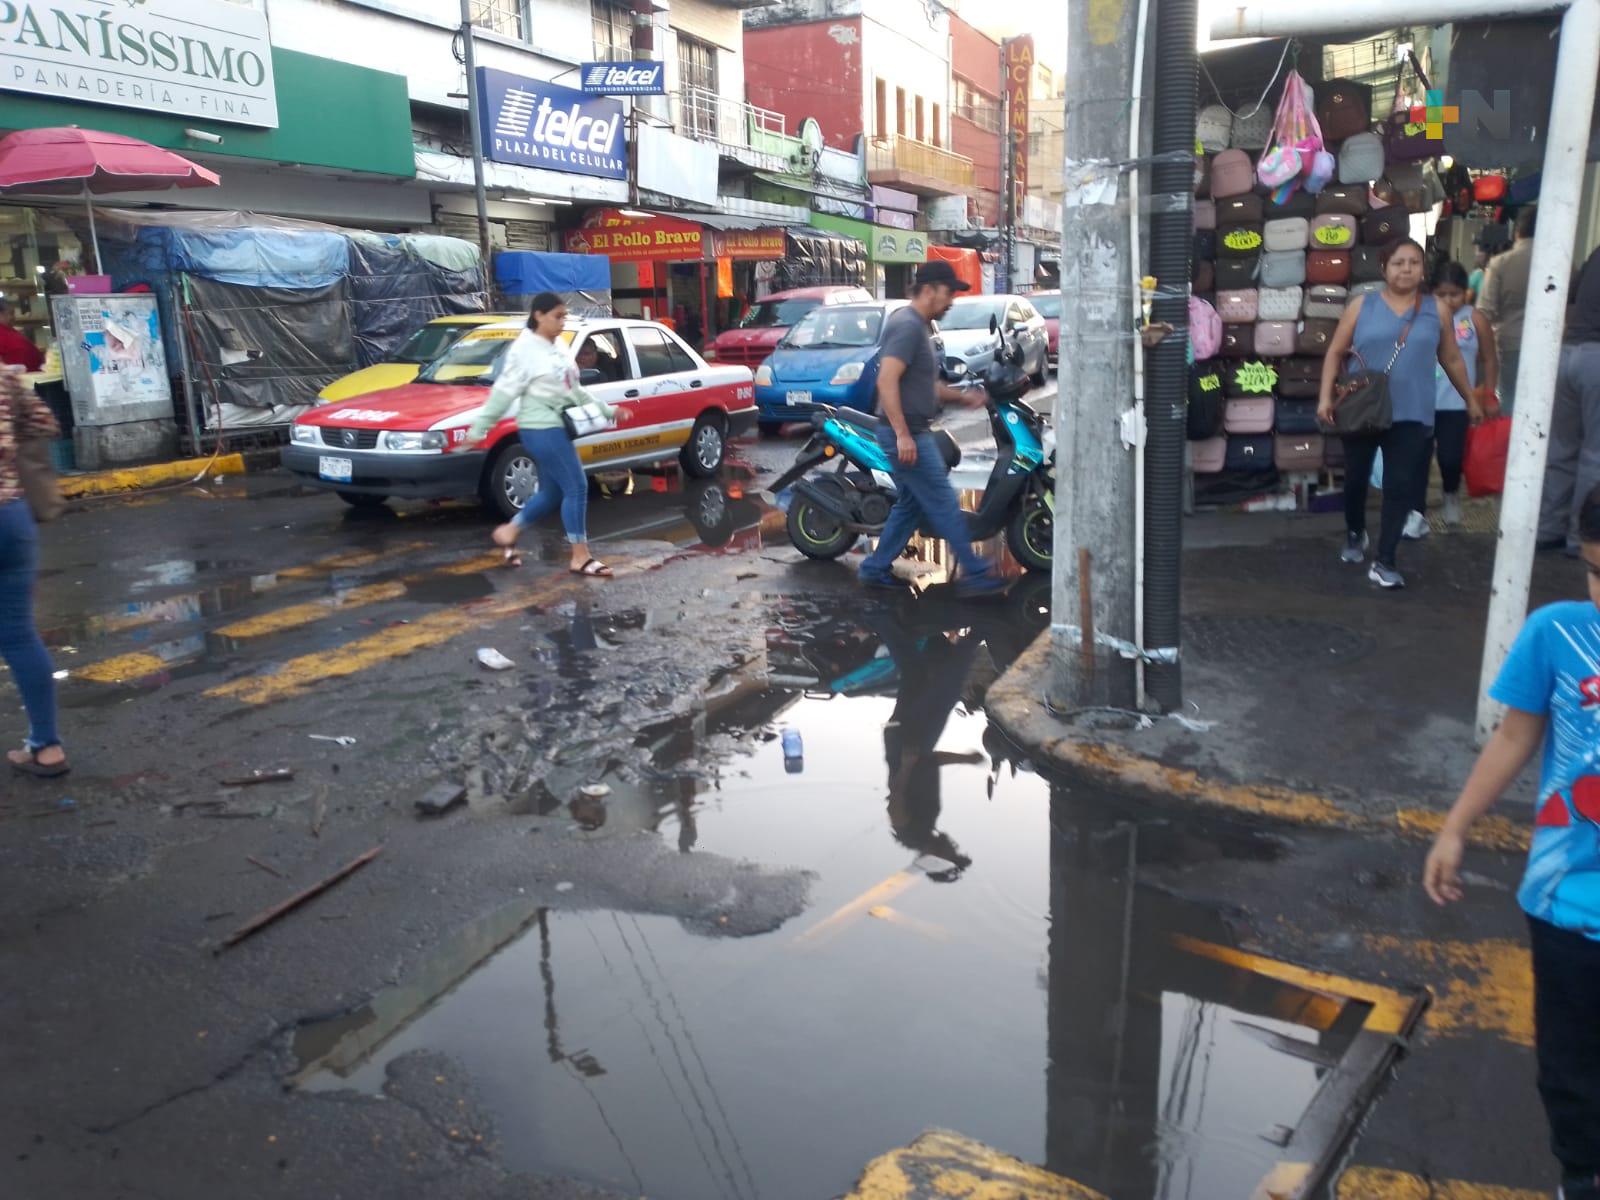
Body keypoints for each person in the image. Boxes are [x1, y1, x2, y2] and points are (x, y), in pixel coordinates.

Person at [1423, 483, 1600, 1200]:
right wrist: (1455, 826)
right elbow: (1517, 737)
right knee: (1571, 1066)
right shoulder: (1556, 634)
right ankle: (1582, 1178)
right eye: (1596, 572)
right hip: (1566, 902)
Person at [1318, 238, 1476, 589]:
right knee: (1356, 479)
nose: (1406, 269)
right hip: (1363, 408)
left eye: (1414, 263)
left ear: (1423, 269)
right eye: (1399, 263)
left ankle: (1385, 559)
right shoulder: (1362, 305)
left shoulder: (1438, 309)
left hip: (1413, 411)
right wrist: (1325, 397)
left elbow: (1451, 358)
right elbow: (1335, 352)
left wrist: (1470, 398)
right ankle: (1356, 532)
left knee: (1400, 486)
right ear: (1384, 268)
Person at [858, 259, 1002, 595]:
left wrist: (963, 397)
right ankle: (976, 573)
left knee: (912, 504)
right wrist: (903, 434)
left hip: (912, 429)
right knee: (943, 500)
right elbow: (887, 380)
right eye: (948, 292)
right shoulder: (907, 325)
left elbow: (927, 385)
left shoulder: (918, 326)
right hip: (907, 433)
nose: (951, 300)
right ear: (928, 290)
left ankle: (874, 568)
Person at [465, 292, 631, 577]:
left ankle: (510, 530)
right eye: (557, 316)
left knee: (553, 491)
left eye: (564, 316)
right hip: (540, 428)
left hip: (558, 427)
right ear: (539, 315)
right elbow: (504, 391)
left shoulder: (558, 347)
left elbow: (574, 389)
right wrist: (480, 427)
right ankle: (580, 556)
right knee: (577, 486)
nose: (562, 322)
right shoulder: (524, 350)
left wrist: (608, 410)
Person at [1, 367, 67, 778]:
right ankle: (47, 745)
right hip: (10, 516)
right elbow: (45, 422)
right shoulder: (5, 378)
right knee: (19, 635)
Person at [1404, 261, 1496, 534]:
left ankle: (1451, 493)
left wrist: (1488, 395)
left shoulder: (1475, 318)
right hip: (1421, 401)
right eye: (1441, 294)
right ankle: (1415, 513)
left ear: (1466, 293)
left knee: (1451, 458)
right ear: (1431, 292)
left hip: (1457, 404)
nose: (1448, 300)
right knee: (1417, 460)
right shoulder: (1419, 314)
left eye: (1454, 294)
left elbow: (1490, 360)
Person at [1537, 243, 1600, 555]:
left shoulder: (1596, 254)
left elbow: (1568, 298)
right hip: (1597, 360)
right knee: (1595, 456)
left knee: (1561, 450)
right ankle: (1581, 536)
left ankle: (1549, 528)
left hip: (1567, 354)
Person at [1478, 206, 1538, 415]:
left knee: (1510, 399)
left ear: (1517, 231)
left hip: (1510, 342)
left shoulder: (1500, 263)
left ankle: (1509, 445)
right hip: (1549, 344)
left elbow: (1484, 312)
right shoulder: (1562, 263)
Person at [0, 299, 43, 372]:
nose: (13, 317)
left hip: (35, 376)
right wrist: (8, 369)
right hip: (18, 379)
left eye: (13, 313)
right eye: (10, 313)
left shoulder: (9, 329)